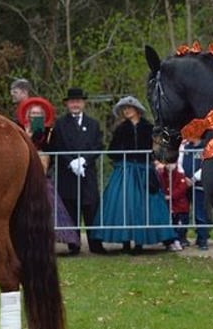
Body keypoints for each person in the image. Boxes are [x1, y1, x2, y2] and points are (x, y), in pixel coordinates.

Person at [91, 96, 177, 254]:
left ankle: (141, 243)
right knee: (123, 204)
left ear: (137, 110)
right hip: (126, 170)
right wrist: (122, 155)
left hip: (145, 170)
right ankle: (125, 242)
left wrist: (156, 159)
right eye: (124, 109)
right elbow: (112, 151)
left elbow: (158, 148)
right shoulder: (120, 129)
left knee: (147, 205)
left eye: (129, 108)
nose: (126, 111)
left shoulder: (149, 128)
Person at [47, 87, 106, 255]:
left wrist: (84, 160)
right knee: (71, 208)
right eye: (72, 102)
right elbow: (55, 147)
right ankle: (74, 244)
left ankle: (95, 243)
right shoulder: (60, 124)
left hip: (87, 174)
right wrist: (71, 161)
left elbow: (98, 146)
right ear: (67, 104)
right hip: (68, 174)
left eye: (78, 101)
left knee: (91, 208)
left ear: (83, 103)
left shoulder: (93, 124)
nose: (75, 104)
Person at [16, 96, 80, 247]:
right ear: (27, 115)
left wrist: (39, 137)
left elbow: (52, 149)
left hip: (42, 174)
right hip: (22, 174)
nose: (35, 116)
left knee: (48, 207)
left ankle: (48, 239)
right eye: (33, 113)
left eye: (39, 114)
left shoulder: (49, 132)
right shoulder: (19, 129)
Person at [179, 140, 209, 251]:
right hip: (184, 184)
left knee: (200, 213)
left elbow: (206, 164)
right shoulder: (184, 146)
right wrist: (183, 177)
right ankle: (182, 237)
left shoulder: (206, 146)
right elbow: (179, 162)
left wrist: (194, 178)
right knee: (183, 212)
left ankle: (202, 239)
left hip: (199, 185)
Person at [157, 160, 190, 251]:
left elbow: (181, 188)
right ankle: (169, 242)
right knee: (168, 224)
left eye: (172, 163)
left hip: (179, 206)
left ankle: (179, 240)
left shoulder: (180, 176)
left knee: (180, 224)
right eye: (167, 163)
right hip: (167, 206)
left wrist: (171, 196)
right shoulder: (161, 176)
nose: (170, 166)